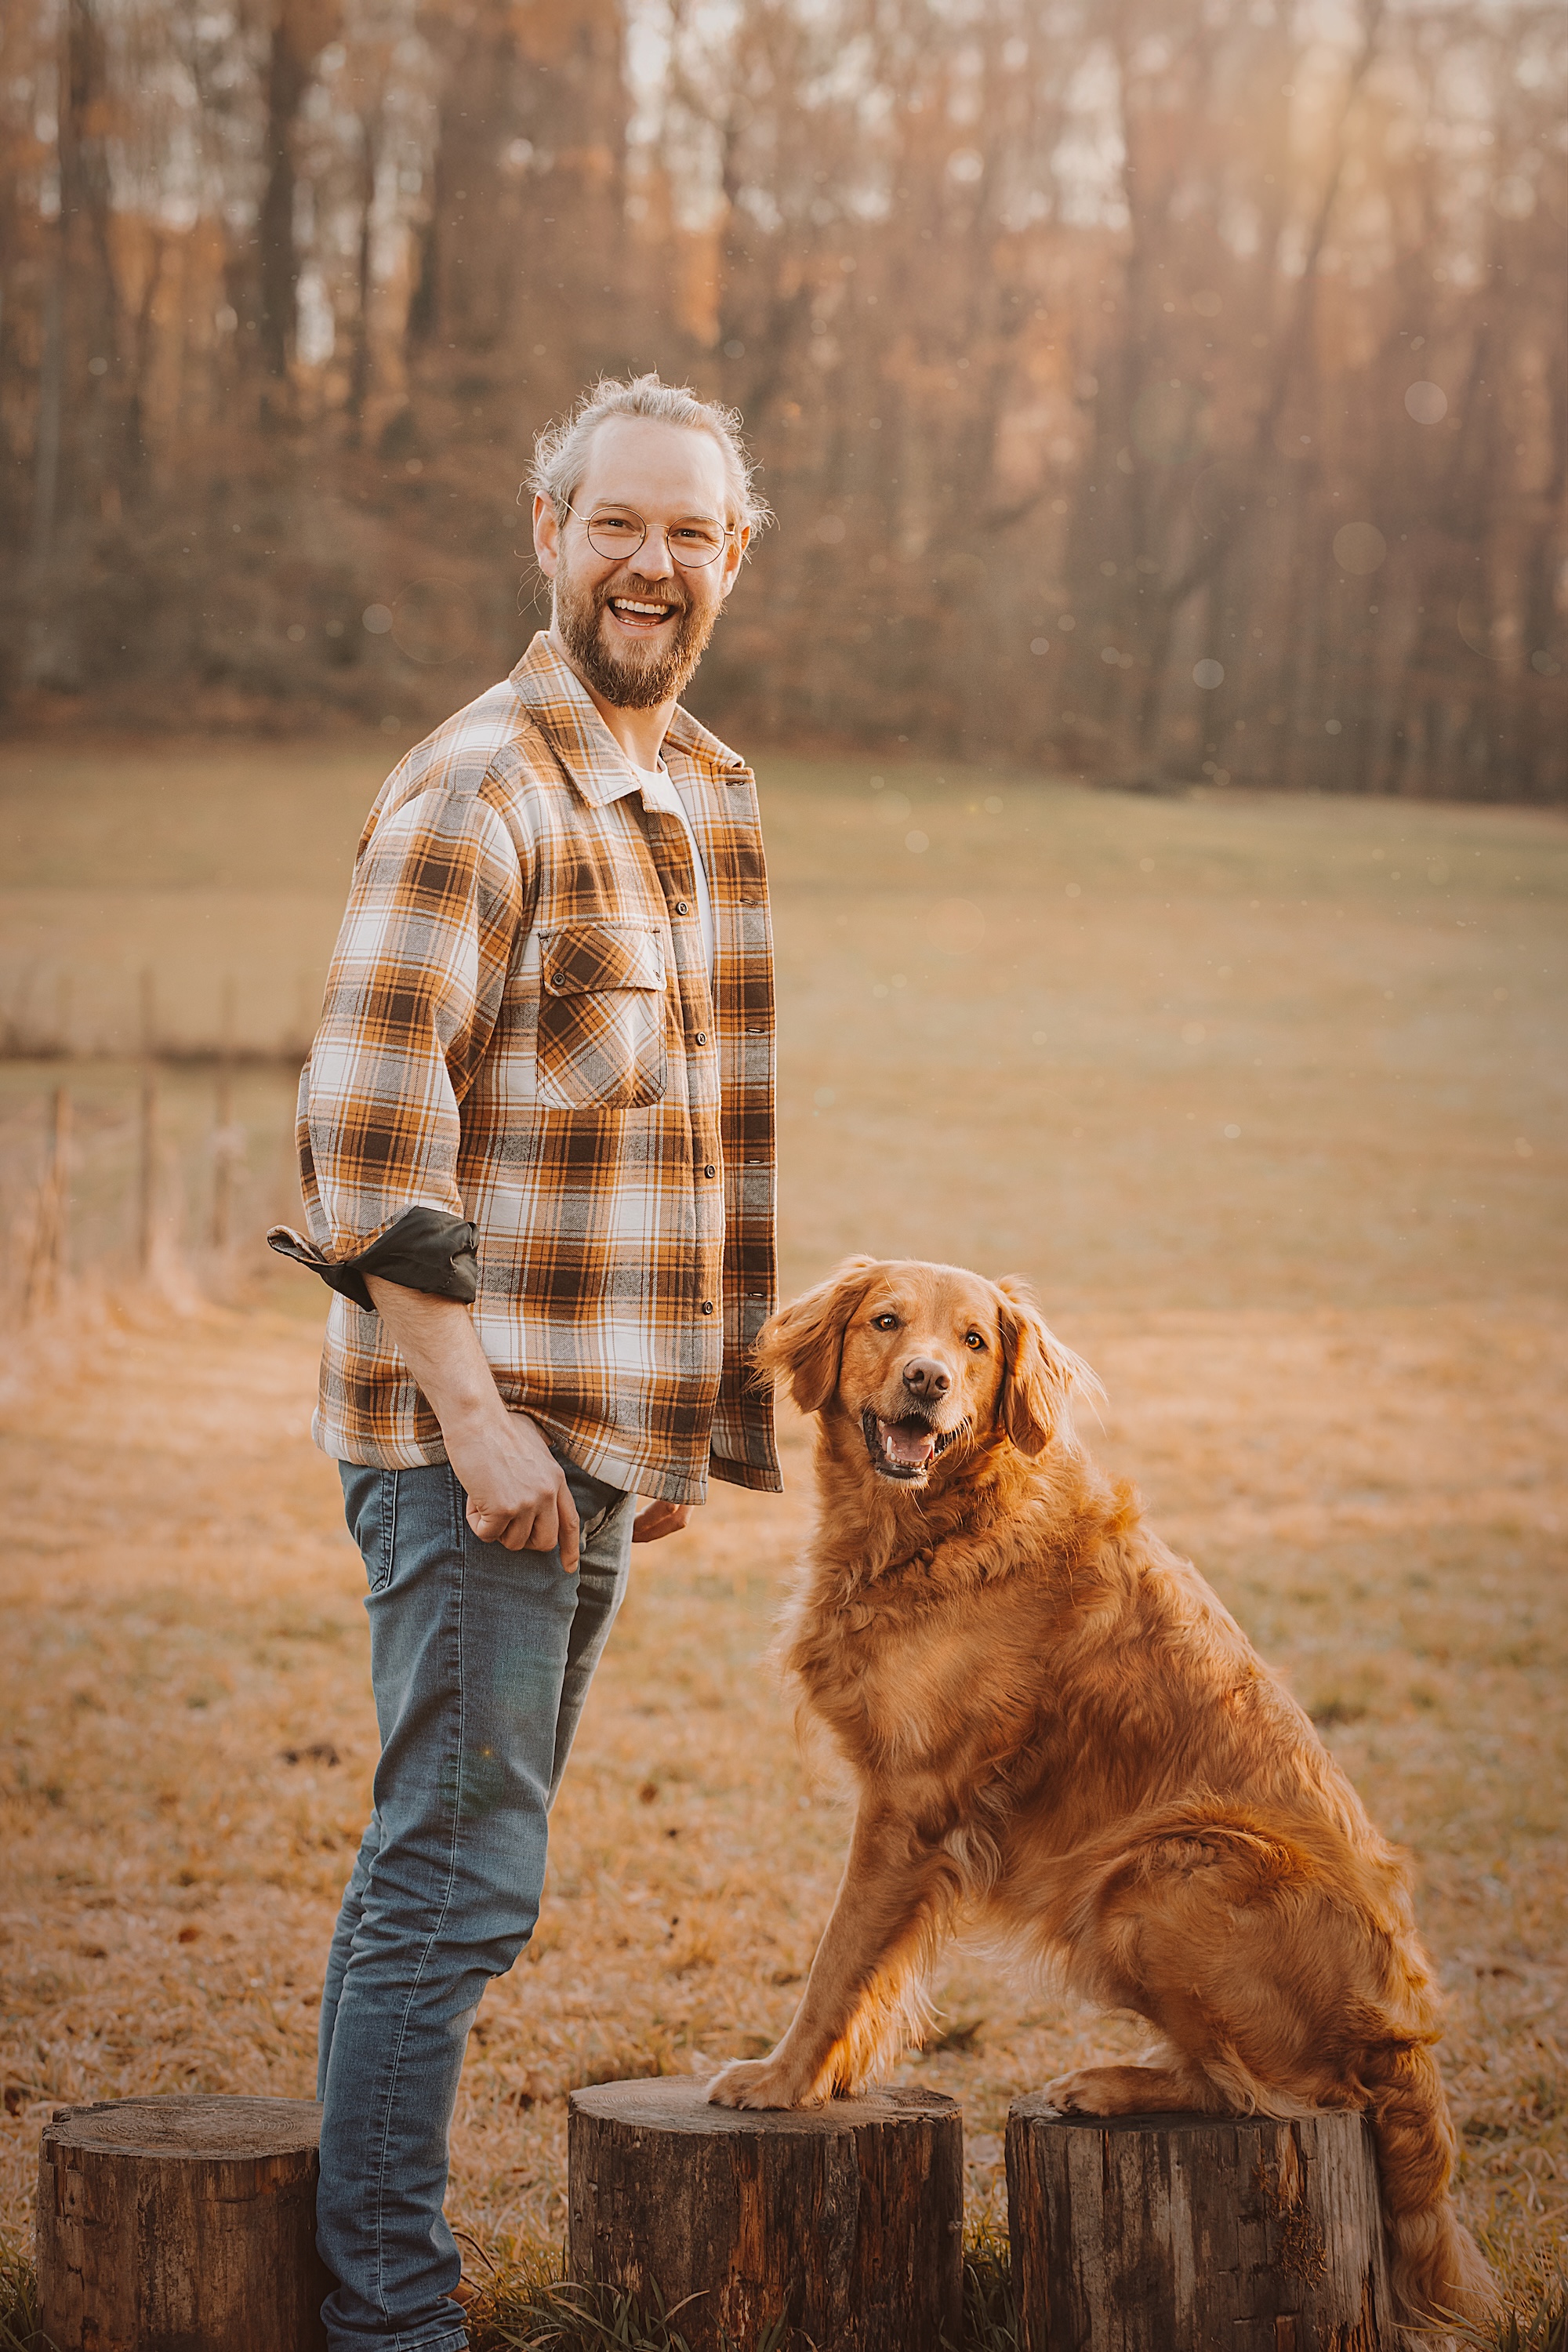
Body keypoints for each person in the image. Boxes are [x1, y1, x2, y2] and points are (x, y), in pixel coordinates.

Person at [268, 373, 781, 2352]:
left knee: (464, 1874)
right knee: (453, 1887)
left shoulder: (697, 793)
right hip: (475, 1451)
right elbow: (365, 1137)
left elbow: (668, 1131)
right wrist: (481, 1423)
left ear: (733, 561)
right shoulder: (481, 786)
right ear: (545, 532)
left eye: (692, 533)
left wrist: (673, 1417)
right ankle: (388, 2319)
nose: (653, 563)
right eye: (617, 523)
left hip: (580, 1446)